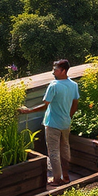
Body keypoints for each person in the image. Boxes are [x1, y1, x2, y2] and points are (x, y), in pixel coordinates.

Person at [19, 59, 80, 187]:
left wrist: (29, 111)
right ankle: (66, 176)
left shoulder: (54, 85)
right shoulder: (73, 85)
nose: (53, 72)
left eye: (55, 70)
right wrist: (69, 116)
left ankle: (57, 179)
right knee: (65, 149)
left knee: (53, 152)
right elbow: (75, 103)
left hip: (53, 123)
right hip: (65, 123)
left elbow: (45, 105)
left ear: (63, 71)